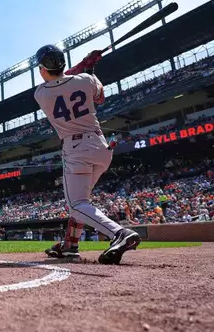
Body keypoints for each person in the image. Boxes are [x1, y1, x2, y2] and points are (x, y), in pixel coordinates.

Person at [33, 44, 141, 264]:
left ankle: (119, 233)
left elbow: (61, 82)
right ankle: (70, 246)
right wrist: (90, 70)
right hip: (101, 147)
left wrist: (83, 66)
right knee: (81, 202)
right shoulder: (85, 79)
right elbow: (99, 96)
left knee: (77, 203)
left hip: (76, 150)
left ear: (43, 68)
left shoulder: (40, 94)